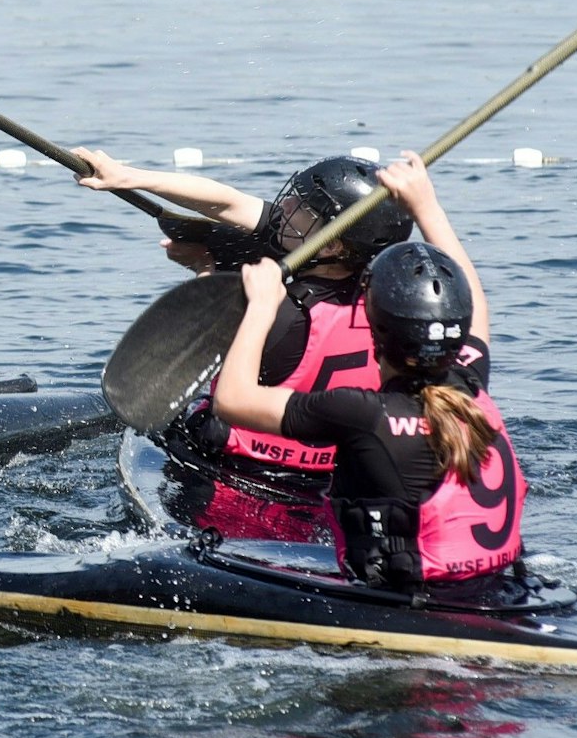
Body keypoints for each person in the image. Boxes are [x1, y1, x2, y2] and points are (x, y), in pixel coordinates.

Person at [212, 153, 527, 595]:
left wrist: (262, 305)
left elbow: (232, 400)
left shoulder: (362, 413)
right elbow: (474, 301)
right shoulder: (473, 385)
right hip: (501, 589)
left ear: (376, 334)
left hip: (411, 605)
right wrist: (427, 207)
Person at [72, 147, 411, 539]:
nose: (285, 205)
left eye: (301, 206)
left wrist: (204, 272)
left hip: (234, 477)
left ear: (332, 244)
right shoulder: (390, 301)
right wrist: (127, 176)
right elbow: (229, 203)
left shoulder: (275, 313)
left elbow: (191, 350)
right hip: (331, 481)